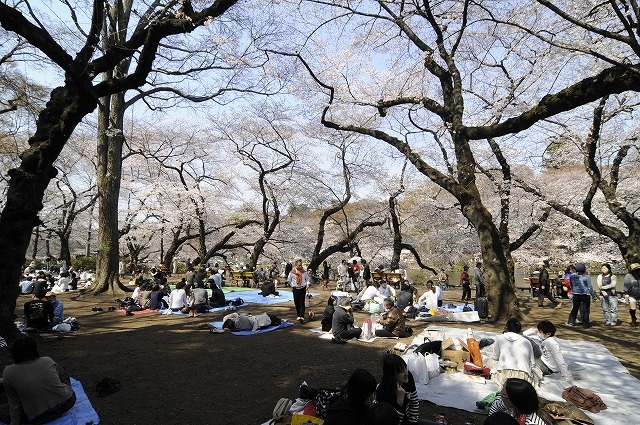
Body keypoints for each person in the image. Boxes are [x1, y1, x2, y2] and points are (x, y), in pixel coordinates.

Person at [0, 336, 76, 425]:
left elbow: (15, 405)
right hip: (68, 402)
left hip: (40, 416)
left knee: (3, 409)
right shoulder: (47, 360)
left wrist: (14, 422)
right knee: (58, 368)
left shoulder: (8, 372)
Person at [375, 354, 440, 425]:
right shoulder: (383, 392)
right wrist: (400, 401)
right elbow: (393, 422)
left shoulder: (408, 377)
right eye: (401, 372)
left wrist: (413, 422)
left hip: (408, 421)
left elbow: (414, 402)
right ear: (392, 375)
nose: (406, 373)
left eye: (405, 368)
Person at [491, 318, 537, 388]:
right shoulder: (526, 341)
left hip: (503, 374)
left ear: (506, 327)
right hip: (523, 376)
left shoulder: (500, 338)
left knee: (492, 363)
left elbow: (495, 357)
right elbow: (532, 363)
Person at [488, 378, 552, 425]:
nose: (501, 396)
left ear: (514, 401)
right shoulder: (515, 407)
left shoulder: (531, 422)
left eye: (503, 395)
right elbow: (496, 405)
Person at [567, 263, 596, 328]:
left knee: (575, 308)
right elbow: (589, 287)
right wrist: (593, 295)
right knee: (586, 310)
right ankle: (585, 324)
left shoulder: (572, 276)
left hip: (576, 294)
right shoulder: (586, 277)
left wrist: (574, 290)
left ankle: (571, 321)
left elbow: (571, 284)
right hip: (585, 294)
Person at [287, 259, 310, 323]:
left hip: (302, 288)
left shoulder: (304, 272)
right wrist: (292, 285)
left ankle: (302, 316)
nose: (300, 267)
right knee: (296, 302)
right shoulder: (292, 272)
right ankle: (298, 315)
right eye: (299, 265)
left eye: (301, 265)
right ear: (296, 265)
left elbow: (307, 279)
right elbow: (288, 280)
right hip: (295, 289)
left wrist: (307, 284)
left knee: (302, 303)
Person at [623, 262, 640, 327]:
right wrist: (626, 293)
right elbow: (626, 285)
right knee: (633, 309)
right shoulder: (628, 276)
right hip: (632, 294)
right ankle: (633, 318)